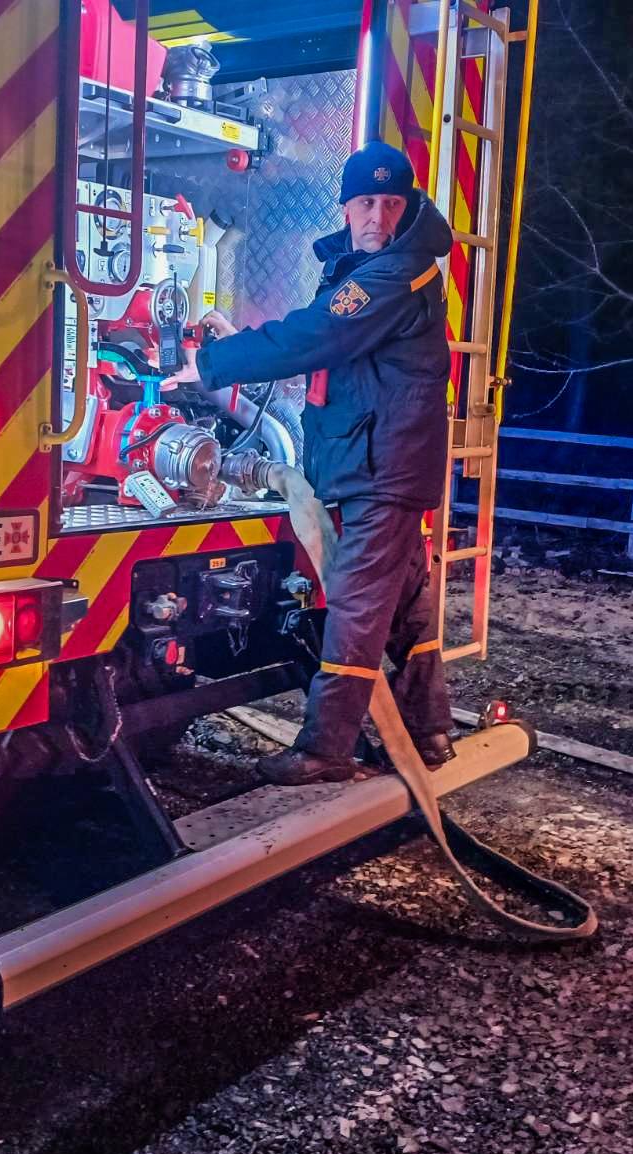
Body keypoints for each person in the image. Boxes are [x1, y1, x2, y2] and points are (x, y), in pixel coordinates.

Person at [163, 141, 456, 784]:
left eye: (389, 202)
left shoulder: (394, 274)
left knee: (356, 604)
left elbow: (314, 334)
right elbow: (323, 339)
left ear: (406, 209)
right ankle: (430, 729)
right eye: (364, 203)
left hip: (382, 469)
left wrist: (211, 364)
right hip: (382, 462)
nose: (376, 215)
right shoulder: (379, 267)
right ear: (346, 207)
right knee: (406, 603)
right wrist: (238, 341)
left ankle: (325, 749)